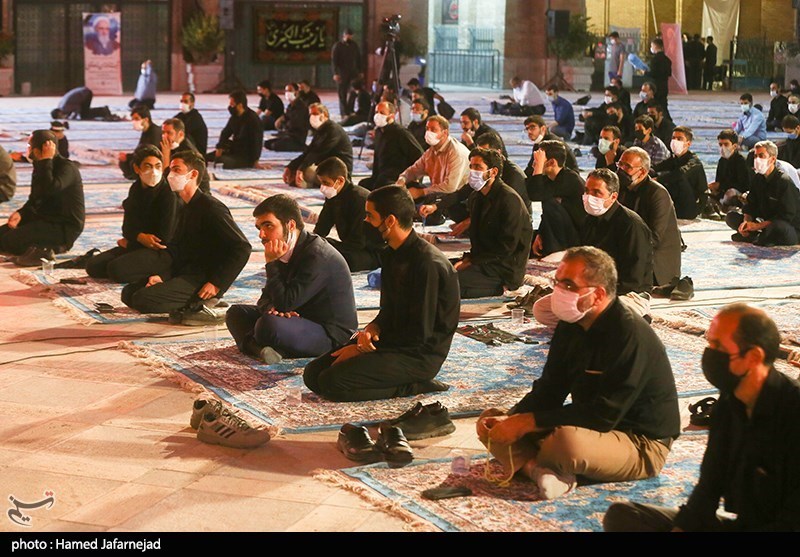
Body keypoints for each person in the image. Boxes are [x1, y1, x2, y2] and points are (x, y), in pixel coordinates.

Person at [478, 246, 679, 500]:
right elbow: (550, 389)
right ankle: (539, 470)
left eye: (569, 285)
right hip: (591, 429)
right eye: (557, 282)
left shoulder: (628, 333)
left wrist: (528, 423)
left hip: (639, 442)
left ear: (598, 295)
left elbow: (604, 415)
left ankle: (533, 463)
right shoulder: (571, 325)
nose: (558, 291)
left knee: (565, 442)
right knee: (490, 422)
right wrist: (513, 419)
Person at [604, 304, 800, 532]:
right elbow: (710, 484)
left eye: (718, 346)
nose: (709, 354)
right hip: (744, 525)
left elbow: (792, 521)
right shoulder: (729, 403)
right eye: (709, 343)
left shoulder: (792, 412)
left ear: (754, 356)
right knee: (625, 516)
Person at [303, 185, 460, 402]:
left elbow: (419, 334)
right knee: (313, 374)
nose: (365, 221)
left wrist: (363, 350)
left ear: (390, 221)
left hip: (418, 355)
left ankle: (413, 385)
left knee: (332, 383)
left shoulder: (427, 264)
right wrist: (372, 328)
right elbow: (388, 310)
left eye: (370, 216)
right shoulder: (391, 254)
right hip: (393, 342)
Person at [226, 194, 358, 365]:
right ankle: (261, 350)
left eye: (268, 226)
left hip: (329, 333)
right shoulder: (284, 247)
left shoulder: (317, 255)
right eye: (259, 227)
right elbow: (265, 298)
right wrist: (272, 308)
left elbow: (286, 303)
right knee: (236, 313)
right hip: (297, 318)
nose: (261, 234)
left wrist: (271, 265)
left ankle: (256, 347)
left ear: (290, 225)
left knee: (268, 325)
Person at [121, 150, 251, 324]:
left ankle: (206, 303)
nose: (170, 175)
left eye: (176, 170)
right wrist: (162, 276)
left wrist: (217, 283)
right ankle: (191, 303)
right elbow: (177, 250)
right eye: (170, 170)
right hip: (185, 271)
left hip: (203, 279)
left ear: (193, 174)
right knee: (129, 293)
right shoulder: (184, 205)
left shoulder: (212, 208)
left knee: (142, 299)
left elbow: (242, 247)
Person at [86, 145, 176, 283]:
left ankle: (164, 272)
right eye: (148, 166)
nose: (154, 171)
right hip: (138, 244)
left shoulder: (168, 194)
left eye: (158, 166)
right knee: (93, 266)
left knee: (116, 270)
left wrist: (130, 243)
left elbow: (163, 239)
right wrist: (139, 237)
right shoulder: (136, 189)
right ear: (137, 168)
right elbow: (127, 228)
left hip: (161, 252)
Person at [452, 148, 532, 299]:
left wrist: (472, 262)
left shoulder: (509, 200)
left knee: (449, 283)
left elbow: (506, 248)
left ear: (493, 172)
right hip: (482, 261)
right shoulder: (476, 197)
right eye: (471, 166)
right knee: (437, 269)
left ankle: (499, 288)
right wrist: (468, 259)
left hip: (503, 269)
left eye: (478, 167)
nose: (473, 171)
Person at [0, 130, 84, 259]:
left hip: (63, 227)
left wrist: (46, 161)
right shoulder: (40, 166)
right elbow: (36, 198)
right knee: (2, 237)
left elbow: (49, 189)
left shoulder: (67, 168)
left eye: (30, 146)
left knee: (10, 242)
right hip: (44, 219)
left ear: (43, 148)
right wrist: (21, 213)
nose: (27, 150)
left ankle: (56, 247)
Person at [616, 147, 682, 288]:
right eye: (620, 164)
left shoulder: (658, 194)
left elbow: (654, 239)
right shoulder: (621, 187)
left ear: (642, 172)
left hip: (656, 262)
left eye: (627, 166)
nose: (621, 169)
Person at [314, 156, 384, 272]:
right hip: (350, 247)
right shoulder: (333, 196)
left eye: (326, 183)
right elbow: (322, 227)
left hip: (370, 252)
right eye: (321, 183)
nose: (323, 187)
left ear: (340, 181)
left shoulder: (360, 199)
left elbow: (358, 242)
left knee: (338, 257)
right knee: (318, 245)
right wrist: (314, 242)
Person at [726, 140, 800, 246]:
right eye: (756, 156)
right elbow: (751, 204)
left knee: (777, 226)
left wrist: (758, 226)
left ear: (772, 159)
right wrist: (746, 222)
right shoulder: (758, 179)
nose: (757, 159)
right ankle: (758, 235)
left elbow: (786, 216)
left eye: (761, 156)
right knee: (731, 217)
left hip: (788, 227)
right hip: (764, 222)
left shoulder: (784, 181)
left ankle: (759, 236)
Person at [396, 115, 470, 210]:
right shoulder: (431, 151)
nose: (428, 132)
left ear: (445, 133)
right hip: (438, 194)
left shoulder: (456, 152)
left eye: (433, 130)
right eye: (427, 129)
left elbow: (450, 187)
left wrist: (420, 192)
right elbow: (413, 171)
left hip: (457, 198)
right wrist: (402, 180)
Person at [527, 141, 585, 258]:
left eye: (538, 160)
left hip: (578, 235)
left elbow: (535, 195)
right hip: (562, 230)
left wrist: (538, 167)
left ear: (552, 162)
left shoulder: (570, 179)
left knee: (550, 204)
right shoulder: (549, 179)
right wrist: (540, 234)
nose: (534, 165)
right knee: (528, 237)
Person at [359, 101, 424, 191]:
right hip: (383, 174)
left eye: (382, 113)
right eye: (376, 112)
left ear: (392, 116)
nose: (378, 115)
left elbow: (419, 154)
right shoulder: (378, 132)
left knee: (382, 184)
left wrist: (410, 177)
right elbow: (377, 158)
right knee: (363, 185)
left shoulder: (401, 133)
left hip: (397, 176)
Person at [284, 103, 352, 189]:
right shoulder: (320, 130)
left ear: (325, 114)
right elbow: (308, 152)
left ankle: (314, 184)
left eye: (315, 114)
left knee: (307, 172)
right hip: (326, 166)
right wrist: (290, 167)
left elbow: (318, 153)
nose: (312, 117)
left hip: (338, 171)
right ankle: (312, 183)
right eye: (311, 114)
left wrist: (301, 169)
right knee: (294, 171)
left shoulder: (333, 130)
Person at [654, 126, 708, 220]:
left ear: (688, 143)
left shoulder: (693, 161)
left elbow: (680, 174)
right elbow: (657, 167)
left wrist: (658, 179)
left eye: (679, 139)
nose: (675, 141)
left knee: (677, 179)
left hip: (693, 204)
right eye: (673, 138)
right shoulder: (674, 158)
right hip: (680, 202)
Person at [207, 90, 263, 169]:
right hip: (235, 149)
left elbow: (257, 142)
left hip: (246, 155)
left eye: (232, 104)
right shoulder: (234, 117)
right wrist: (220, 147)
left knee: (224, 163)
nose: (230, 107)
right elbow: (225, 133)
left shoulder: (252, 119)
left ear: (240, 105)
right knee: (206, 158)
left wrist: (255, 161)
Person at [708, 129, 751, 216]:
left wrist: (721, 186)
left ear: (734, 146)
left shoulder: (741, 161)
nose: (722, 147)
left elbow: (743, 185)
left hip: (737, 194)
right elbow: (718, 181)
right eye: (720, 144)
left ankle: (722, 206)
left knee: (730, 193)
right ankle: (720, 206)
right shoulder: (722, 161)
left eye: (726, 144)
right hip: (723, 192)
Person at [160, 118, 209, 194]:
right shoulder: (171, 146)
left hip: (196, 193)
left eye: (169, 133)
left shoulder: (188, 151)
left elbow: (167, 179)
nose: (164, 136)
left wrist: (166, 155)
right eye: (163, 132)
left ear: (180, 134)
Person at [118, 104, 161, 181]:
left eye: (137, 119)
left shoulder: (154, 132)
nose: (134, 122)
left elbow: (151, 152)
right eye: (133, 119)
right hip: (146, 157)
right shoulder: (146, 131)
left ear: (146, 119)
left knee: (132, 162)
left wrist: (128, 157)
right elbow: (140, 149)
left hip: (154, 161)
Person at [264, 83, 309, 152]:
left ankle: (301, 147)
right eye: (286, 91)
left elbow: (294, 124)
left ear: (296, 92)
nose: (287, 93)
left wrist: (284, 124)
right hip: (287, 135)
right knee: (267, 143)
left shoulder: (301, 107)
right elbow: (284, 120)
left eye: (290, 90)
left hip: (296, 138)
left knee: (275, 145)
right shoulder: (290, 107)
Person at [331, 28, 362, 118]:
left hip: (353, 72)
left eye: (351, 35)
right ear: (344, 35)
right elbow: (334, 61)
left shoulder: (354, 45)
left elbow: (358, 59)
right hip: (341, 73)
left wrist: (360, 71)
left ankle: (350, 110)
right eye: (348, 35)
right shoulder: (338, 46)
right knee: (342, 93)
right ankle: (344, 112)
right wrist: (335, 73)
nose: (349, 37)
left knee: (354, 92)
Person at [174, 92, 208, 156]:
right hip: (187, 148)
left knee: (181, 135)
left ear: (192, 103)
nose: (183, 103)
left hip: (197, 152)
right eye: (181, 101)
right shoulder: (180, 115)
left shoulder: (196, 118)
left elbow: (184, 131)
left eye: (186, 101)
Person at [645, 38, 672, 116]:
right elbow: (669, 73)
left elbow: (653, 73)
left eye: (651, 46)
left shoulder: (654, 60)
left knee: (654, 104)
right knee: (663, 104)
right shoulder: (667, 60)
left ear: (655, 46)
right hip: (664, 85)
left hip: (655, 85)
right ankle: (666, 118)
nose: (651, 48)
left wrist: (645, 72)